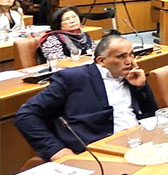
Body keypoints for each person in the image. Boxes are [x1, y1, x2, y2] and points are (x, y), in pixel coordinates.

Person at [15, 35, 156, 161]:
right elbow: (26, 115)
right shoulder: (73, 79)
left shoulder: (131, 76)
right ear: (101, 61)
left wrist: (141, 87)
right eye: (121, 57)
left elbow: (152, 115)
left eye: (131, 55)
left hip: (139, 142)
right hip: (99, 152)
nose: (130, 61)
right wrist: (55, 150)